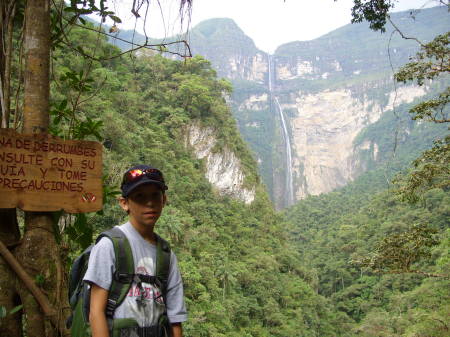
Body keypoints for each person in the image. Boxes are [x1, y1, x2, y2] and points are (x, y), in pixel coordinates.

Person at [84, 164, 188, 337]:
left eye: (155, 195)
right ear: (124, 203)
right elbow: (96, 312)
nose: (149, 203)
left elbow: (175, 318)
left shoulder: (166, 255)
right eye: (140, 197)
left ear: (164, 200)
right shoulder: (110, 246)